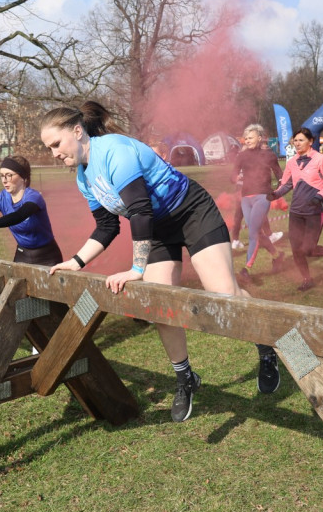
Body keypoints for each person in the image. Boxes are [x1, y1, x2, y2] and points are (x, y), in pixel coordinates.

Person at [39, 102, 282, 423]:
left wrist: (137, 269)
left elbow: (139, 211)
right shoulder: (84, 177)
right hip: (158, 228)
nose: (54, 153)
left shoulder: (113, 152)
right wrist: (76, 261)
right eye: (48, 148)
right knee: (159, 300)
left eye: (56, 144)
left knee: (224, 294)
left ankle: (268, 348)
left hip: (192, 212)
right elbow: (108, 226)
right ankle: (186, 378)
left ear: (77, 130)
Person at [267, 128, 323, 292]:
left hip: (315, 211)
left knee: (308, 249)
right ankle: (307, 279)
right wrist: (275, 194)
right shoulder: (292, 162)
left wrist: (319, 196)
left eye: (300, 140)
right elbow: (286, 184)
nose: (297, 143)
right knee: (296, 249)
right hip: (296, 212)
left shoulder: (320, 159)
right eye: (295, 140)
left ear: (310, 141)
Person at [234, 124, 286, 281]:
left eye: (250, 137)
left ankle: (246, 269)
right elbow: (233, 175)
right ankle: (277, 256)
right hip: (246, 198)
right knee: (256, 232)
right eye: (246, 138)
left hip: (262, 197)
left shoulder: (268, 154)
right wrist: (235, 178)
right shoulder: (241, 156)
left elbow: (280, 175)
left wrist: (276, 192)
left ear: (259, 137)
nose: (247, 140)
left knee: (252, 234)